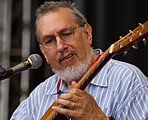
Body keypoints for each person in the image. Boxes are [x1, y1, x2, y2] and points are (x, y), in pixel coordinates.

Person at [10, 1, 148, 120]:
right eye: (50, 41)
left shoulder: (128, 80)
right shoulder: (38, 96)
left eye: (66, 34)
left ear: (87, 34)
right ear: (44, 53)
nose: (60, 46)